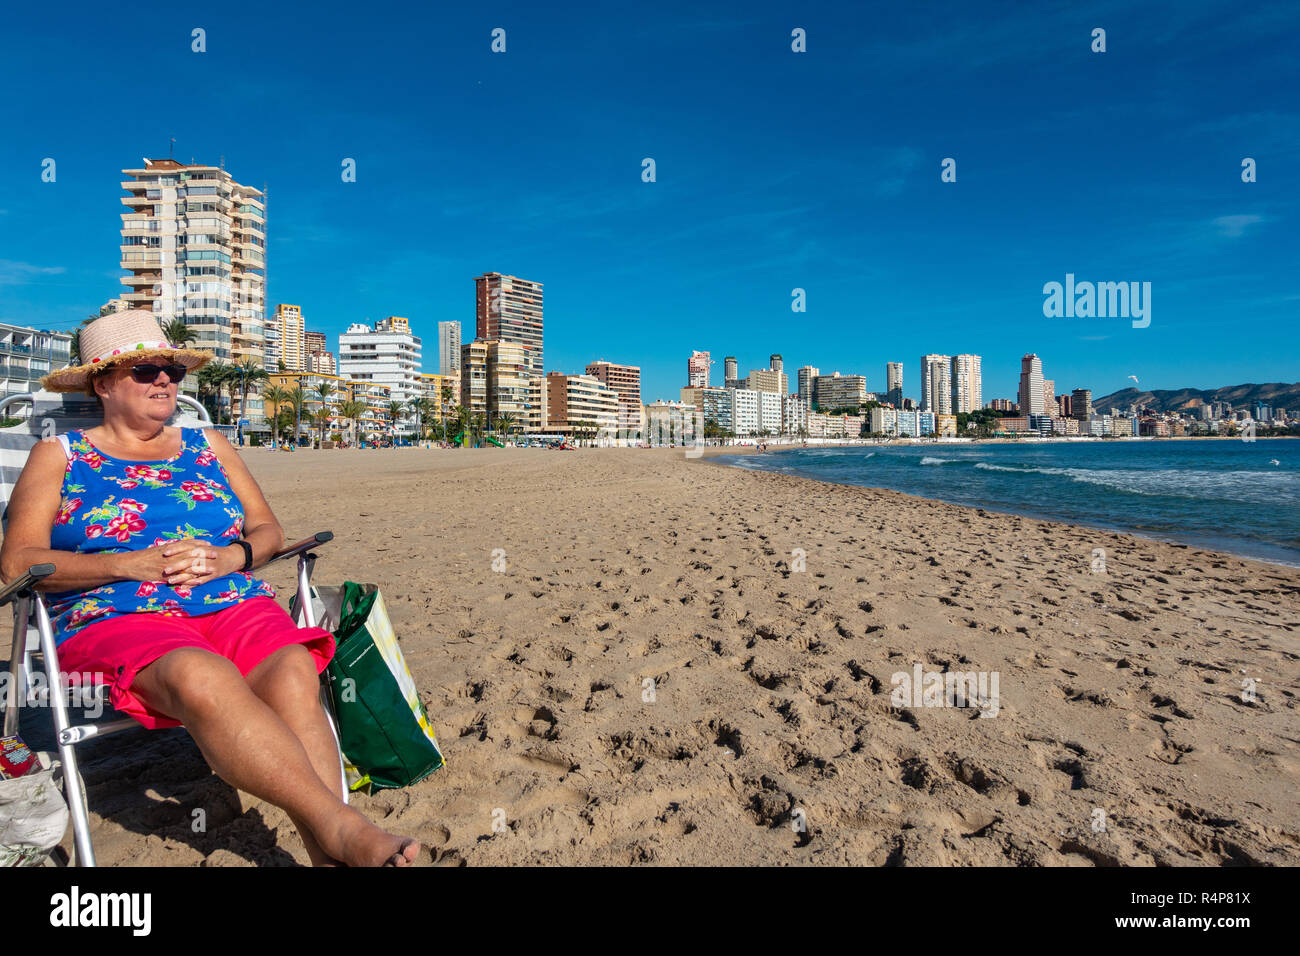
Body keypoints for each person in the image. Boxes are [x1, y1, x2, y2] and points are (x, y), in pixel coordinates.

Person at [0, 310, 419, 867]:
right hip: (117, 611)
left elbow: (267, 530)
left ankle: (327, 852)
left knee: (293, 670)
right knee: (201, 673)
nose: (166, 380)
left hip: (229, 598)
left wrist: (233, 556)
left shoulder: (208, 444)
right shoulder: (59, 455)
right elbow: (18, 562)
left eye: (172, 368)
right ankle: (341, 829)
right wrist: (128, 565)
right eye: (146, 370)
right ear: (102, 384)